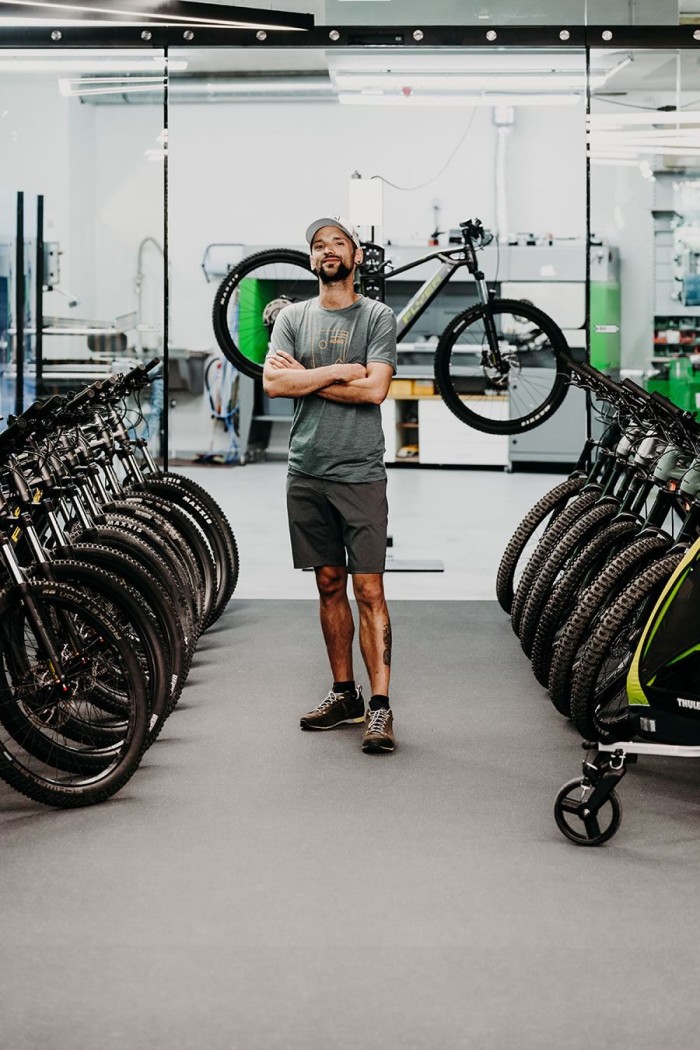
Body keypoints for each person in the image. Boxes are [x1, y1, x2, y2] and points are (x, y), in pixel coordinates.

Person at [263, 216, 398, 754]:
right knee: (326, 584)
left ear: (356, 255)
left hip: (359, 470)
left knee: (368, 589)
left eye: (338, 243)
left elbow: (376, 392)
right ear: (312, 259)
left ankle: (381, 706)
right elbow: (275, 382)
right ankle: (345, 694)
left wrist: (310, 378)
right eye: (319, 246)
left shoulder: (377, 316)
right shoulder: (292, 318)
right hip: (306, 469)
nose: (328, 251)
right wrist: (343, 370)